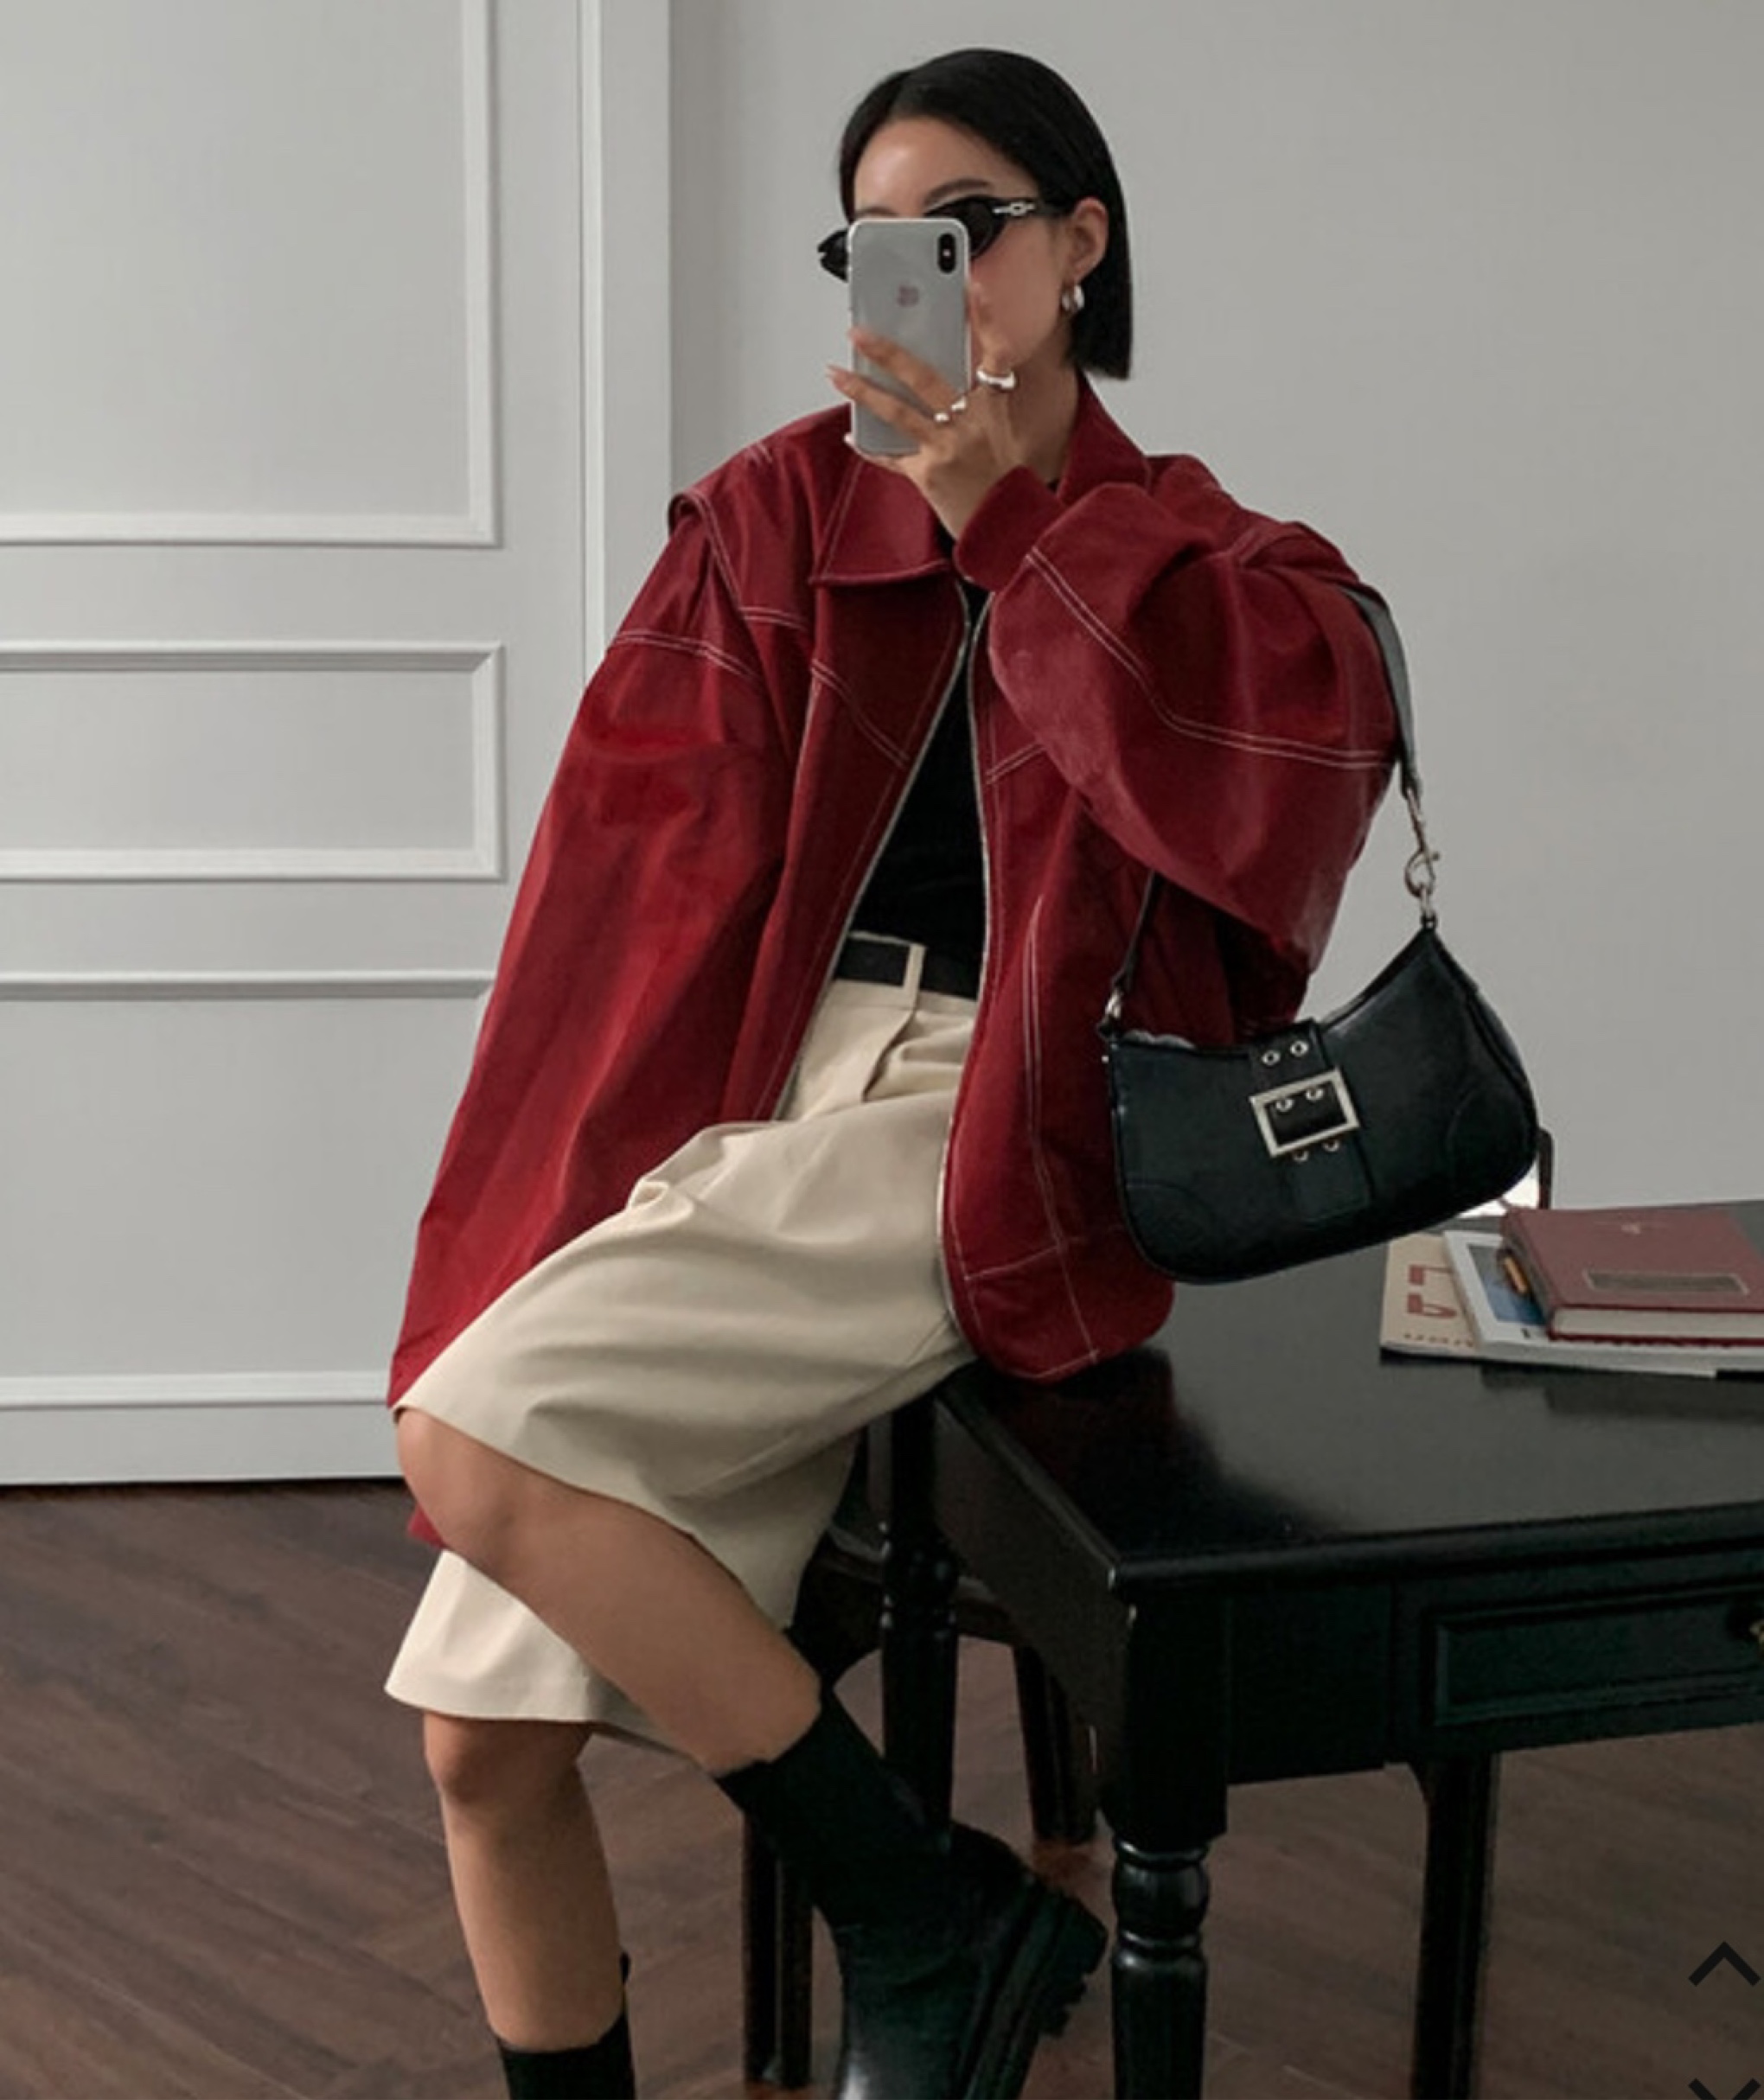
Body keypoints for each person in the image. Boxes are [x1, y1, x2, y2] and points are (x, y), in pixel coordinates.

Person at [386, 45, 1397, 2100]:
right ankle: (931, 1913)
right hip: (769, 1104)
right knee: (480, 1745)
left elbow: (1271, 794)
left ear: (1080, 245)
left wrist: (1005, 526)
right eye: (873, 245)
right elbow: (635, 889)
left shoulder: (1207, 554)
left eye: (967, 229)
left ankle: (923, 1920)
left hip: (1000, 1107)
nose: (915, 274)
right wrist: (586, 1168)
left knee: (468, 1448)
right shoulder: (774, 516)